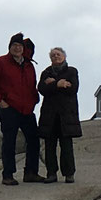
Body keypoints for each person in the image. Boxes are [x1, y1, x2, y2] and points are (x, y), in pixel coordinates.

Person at [0, 33, 41, 186]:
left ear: (24, 48)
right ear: (9, 47)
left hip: (27, 109)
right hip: (9, 108)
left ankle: (31, 172)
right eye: (14, 45)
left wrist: (35, 99)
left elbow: (32, 85)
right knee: (9, 141)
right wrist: (0, 101)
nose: (17, 48)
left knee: (34, 140)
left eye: (20, 46)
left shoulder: (29, 65)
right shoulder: (1, 62)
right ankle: (8, 175)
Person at [38, 47, 81, 184]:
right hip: (50, 116)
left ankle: (69, 174)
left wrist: (53, 84)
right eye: (53, 55)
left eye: (58, 54)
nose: (55, 57)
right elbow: (42, 89)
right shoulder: (46, 72)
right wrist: (59, 84)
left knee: (66, 146)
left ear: (64, 56)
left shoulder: (72, 71)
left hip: (66, 115)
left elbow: (73, 88)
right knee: (49, 147)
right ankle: (51, 173)